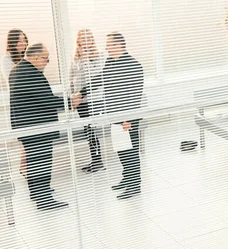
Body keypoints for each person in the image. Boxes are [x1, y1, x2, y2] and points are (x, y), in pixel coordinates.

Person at [74, 32, 144, 199]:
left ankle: (135, 186)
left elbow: (135, 95)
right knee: (121, 150)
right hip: (114, 115)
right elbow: (100, 79)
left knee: (130, 152)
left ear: (119, 45)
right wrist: (81, 93)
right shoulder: (111, 62)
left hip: (127, 119)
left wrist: (129, 119)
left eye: (109, 44)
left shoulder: (133, 65)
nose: (106, 48)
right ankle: (127, 179)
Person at [9, 43, 68, 210]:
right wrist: (70, 102)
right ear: (35, 57)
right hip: (37, 128)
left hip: (26, 126)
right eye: (46, 58)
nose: (47, 61)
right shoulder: (31, 74)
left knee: (34, 161)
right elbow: (47, 100)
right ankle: (44, 200)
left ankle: (36, 192)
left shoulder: (17, 69)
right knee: (41, 161)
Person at [70, 29, 105, 173]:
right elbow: (71, 79)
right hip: (80, 101)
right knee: (88, 131)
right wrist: (71, 98)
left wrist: (85, 58)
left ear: (92, 40)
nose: (85, 41)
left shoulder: (98, 57)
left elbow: (94, 78)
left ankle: (98, 162)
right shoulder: (75, 59)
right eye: (82, 39)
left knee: (92, 130)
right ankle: (96, 160)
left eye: (88, 38)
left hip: (93, 100)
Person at [1, 29, 29, 178]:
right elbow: (13, 80)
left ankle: (27, 170)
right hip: (19, 104)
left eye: (24, 40)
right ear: (12, 43)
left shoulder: (27, 57)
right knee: (25, 140)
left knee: (32, 141)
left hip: (32, 103)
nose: (22, 43)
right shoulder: (6, 59)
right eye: (19, 40)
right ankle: (25, 169)